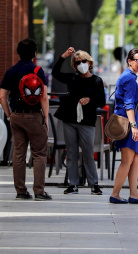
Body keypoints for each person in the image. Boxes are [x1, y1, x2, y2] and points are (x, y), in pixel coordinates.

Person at [0, 38, 52, 201]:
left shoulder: (11, 71)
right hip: (34, 116)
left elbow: (2, 97)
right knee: (39, 154)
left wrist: (9, 115)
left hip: (16, 116)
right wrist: (46, 118)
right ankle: (39, 191)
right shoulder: (37, 71)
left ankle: (21, 191)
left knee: (19, 154)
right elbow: (43, 97)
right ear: (35, 54)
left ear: (18, 53)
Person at [52, 47, 106, 195]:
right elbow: (55, 73)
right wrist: (63, 56)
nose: (81, 64)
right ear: (74, 65)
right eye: (77, 62)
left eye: (84, 61)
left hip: (87, 121)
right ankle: (73, 184)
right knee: (71, 153)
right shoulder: (73, 78)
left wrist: (90, 99)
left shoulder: (96, 81)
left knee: (88, 153)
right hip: (70, 119)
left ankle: (94, 184)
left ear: (89, 62)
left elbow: (102, 101)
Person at [109, 48, 138, 204]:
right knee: (127, 159)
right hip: (128, 124)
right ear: (129, 61)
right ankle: (115, 194)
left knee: (136, 157)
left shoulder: (129, 77)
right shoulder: (129, 79)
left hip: (131, 123)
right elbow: (128, 105)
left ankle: (134, 193)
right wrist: (133, 126)